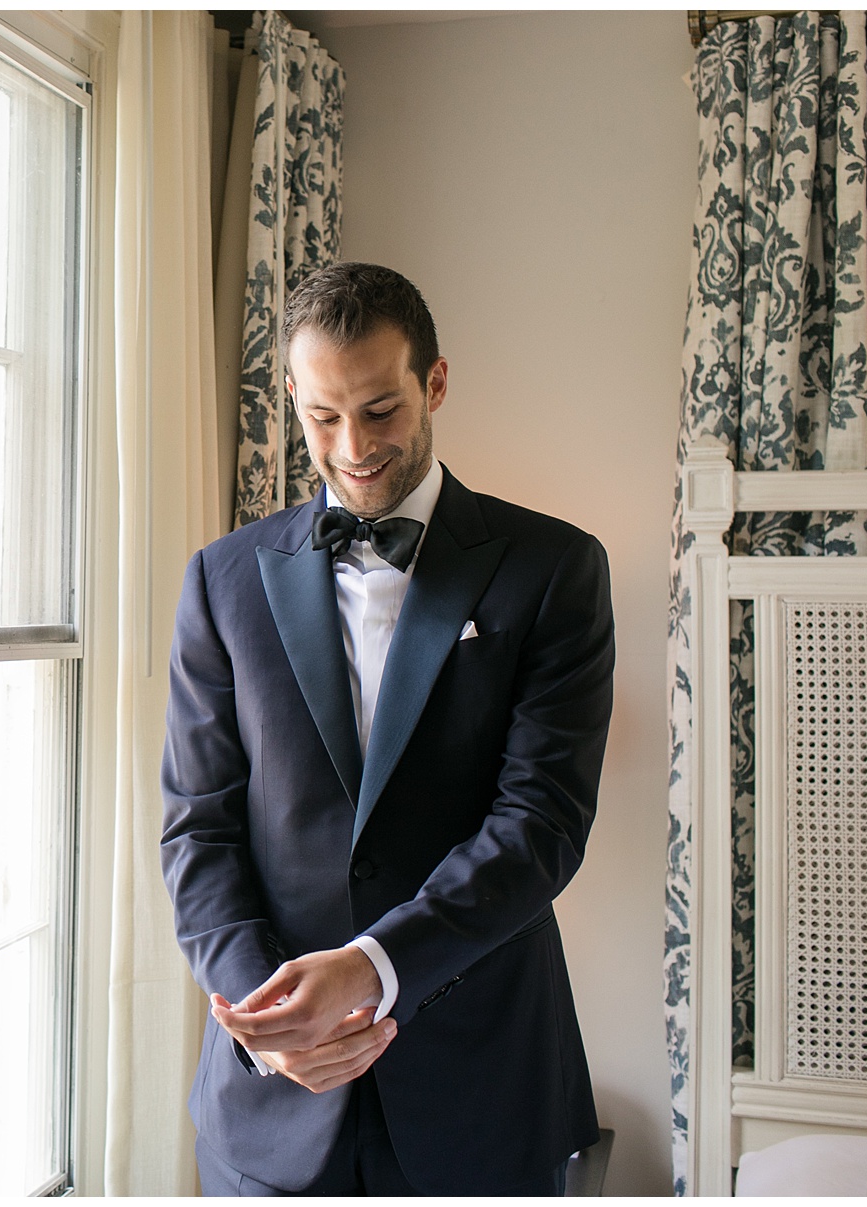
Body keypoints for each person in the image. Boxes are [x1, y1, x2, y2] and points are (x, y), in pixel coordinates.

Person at [160, 262, 612, 1195]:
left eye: (379, 409)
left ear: (435, 382)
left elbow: (540, 824)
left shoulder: (555, 568)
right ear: (291, 395)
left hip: (483, 1085)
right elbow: (197, 828)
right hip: (268, 1106)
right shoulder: (221, 580)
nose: (353, 446)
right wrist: (271, 1019)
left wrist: (374, 970)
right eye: (324, 416)